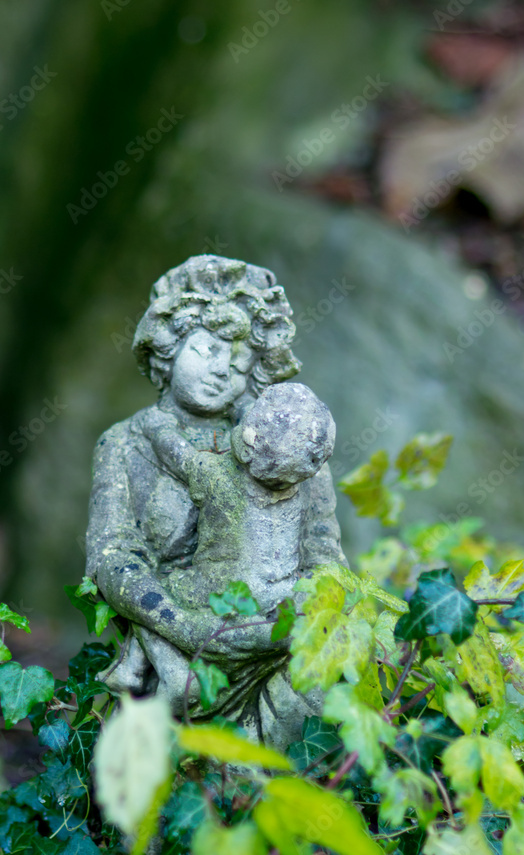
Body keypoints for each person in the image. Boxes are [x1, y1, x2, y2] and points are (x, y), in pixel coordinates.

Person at [85, 254, 345, 745]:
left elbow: (325, 556)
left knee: (322, 705)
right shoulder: (125, 444)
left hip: (277, 644)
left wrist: (288, 623)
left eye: (241, 358)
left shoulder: (287, 444)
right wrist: (184, 628)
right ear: (168, 347)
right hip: (172, 654)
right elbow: (111, 557)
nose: (221, 370)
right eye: (205, 350)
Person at [138, 382, 336, 615]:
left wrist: (158, 429)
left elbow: (176, 454)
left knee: (163, 589)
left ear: (246, 449)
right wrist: (239, 404)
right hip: (282, 595)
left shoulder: (216, 474)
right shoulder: (301, 485)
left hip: (220, 591)